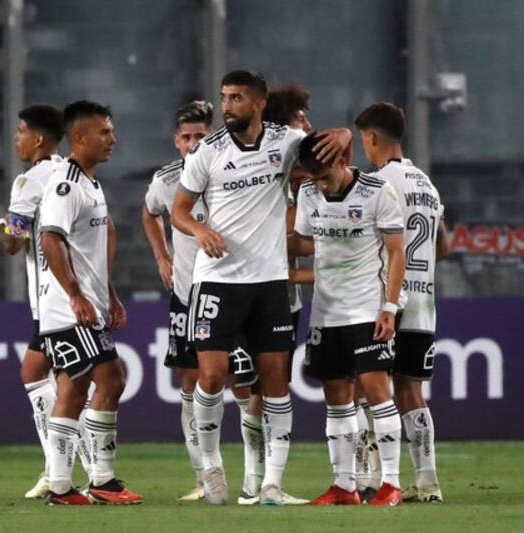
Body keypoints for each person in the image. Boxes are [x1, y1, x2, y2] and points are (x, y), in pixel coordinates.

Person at [171, 70, 350, 505]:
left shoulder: (284, 141)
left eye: (236, 98)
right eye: (224, 97)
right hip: (218, 281)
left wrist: (344, 133)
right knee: (211, 376)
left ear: (259, 102)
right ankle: (212, 467)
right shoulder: (207, 153)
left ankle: (271, 484)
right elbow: (179, 211)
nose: (227, 105)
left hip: (269, 283)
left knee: (275, 384)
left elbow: (328, 146)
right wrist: (199, 231)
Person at [141, 101, 259, 502]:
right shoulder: (167, 179)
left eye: (200, 136)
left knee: (242, 381)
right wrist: (162, 256)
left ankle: (254, 476)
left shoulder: (231, 170)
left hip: (233, 291)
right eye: (186, 137)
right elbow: (149, 213)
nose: (193, 144)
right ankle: (205, 475)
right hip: (187, 295)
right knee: (191, 382)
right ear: (176, 142)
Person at [292, 131, 407, 506]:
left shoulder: (377, 193)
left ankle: (391, 483)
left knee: (376, 392)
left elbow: (396, 252)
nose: (321, 186)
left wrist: (389, 308)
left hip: (367, 309)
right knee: (336, 399)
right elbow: (308, 243)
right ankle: (345, 485)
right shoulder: (308, 194)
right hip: (326, 312)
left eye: (325, 176)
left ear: (343, 161)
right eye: (314, 179)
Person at [39, 100, 143, 505]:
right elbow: (51, 239)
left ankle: (62, 486)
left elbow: (91, 248)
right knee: (111, 379)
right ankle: (100, 479)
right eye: (105, 132)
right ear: (79, 137)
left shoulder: (90, 182)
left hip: (85, 304)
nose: (112, 139)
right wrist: (77, 295)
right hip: (68, 309)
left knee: (75, 388)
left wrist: (109, 294)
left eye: (112, 131)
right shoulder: (66, 184)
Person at [0, 105, 91, 499]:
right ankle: (62, 467)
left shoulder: (30, 180)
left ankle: (77, 471)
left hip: (54, 299)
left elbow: (12, 244)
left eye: (20, 132)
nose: (15, 138)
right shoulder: (73, 172)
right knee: (39, 374)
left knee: (64, 384)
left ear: (38, 139)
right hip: (80, 290)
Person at [356, 101, 449, 503]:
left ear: (372, 138)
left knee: (368, 389)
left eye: (363, 141)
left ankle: (372, 478)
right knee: (412, 391)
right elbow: (442, 245)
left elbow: (370, 242)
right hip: (424, 302)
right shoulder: (427, 183)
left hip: (386, 302)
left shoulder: (378, 184)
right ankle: (428, 482)